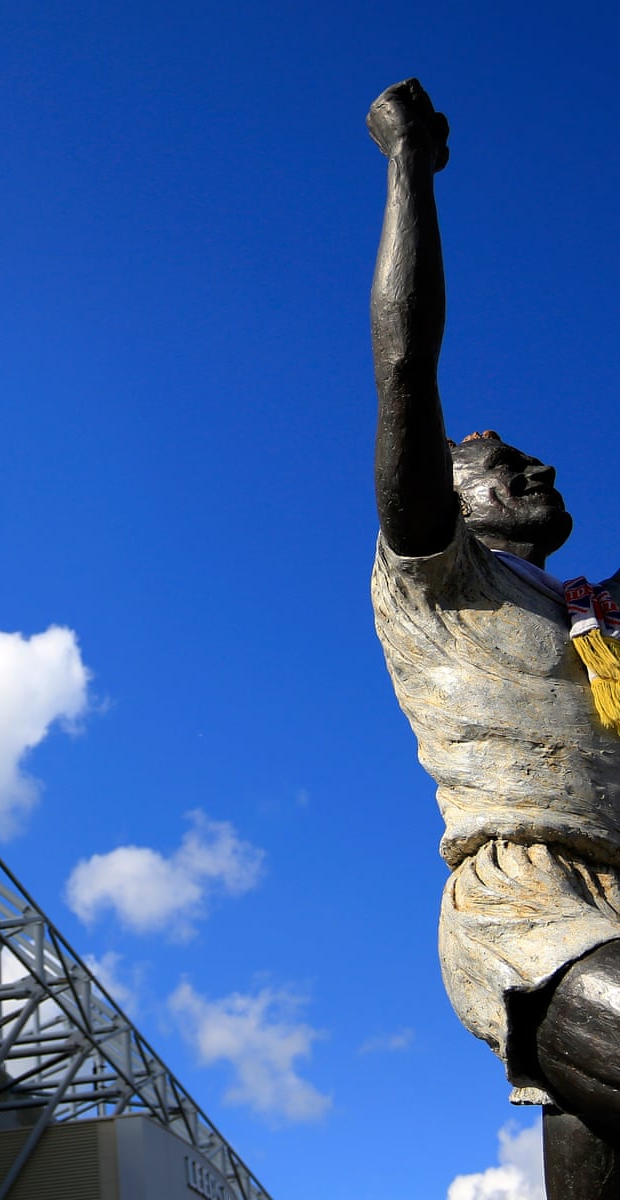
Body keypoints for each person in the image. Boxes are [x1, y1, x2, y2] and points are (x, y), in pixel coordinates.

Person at [369, 78, 620, 1198]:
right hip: (528, 893)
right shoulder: (438, 573)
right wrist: (407, 167)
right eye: (506, 467)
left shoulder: (592, 621)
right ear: (454, 499)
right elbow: (403, 365)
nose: (543, 470)